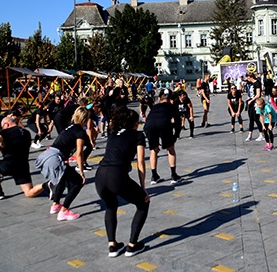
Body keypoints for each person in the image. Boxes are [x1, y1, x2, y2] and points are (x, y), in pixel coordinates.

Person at [95, 106, 149, 258]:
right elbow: (140, 163)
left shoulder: (113, 134)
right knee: (143, 203)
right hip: (116, 175)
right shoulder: (138, 135)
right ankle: (132, 245)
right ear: (134, 122)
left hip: (100, 174)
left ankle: (112, 245)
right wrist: (143, 188)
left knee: (111, 206)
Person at [0, 116, 46, 200]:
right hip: (23, 165)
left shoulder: (5, 132)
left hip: (9, 163)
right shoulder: (26, 132)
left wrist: (0, 148)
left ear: (6, 124)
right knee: (29, 192)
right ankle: (46, 185)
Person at [48, 107, 91, 220]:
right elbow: (79, 153)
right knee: (78, 182)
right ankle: (64, 211)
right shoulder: (79, 132)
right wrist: (81, 171)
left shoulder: (69, 128)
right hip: (56, 159)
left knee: (63, 178)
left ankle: (55, 204)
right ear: (85, 119)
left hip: (51, 157)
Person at [143, 89, 182, 184]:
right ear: (170, 100)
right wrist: (175, 136)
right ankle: (174, 175)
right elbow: (178, 122)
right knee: (170, 148)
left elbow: (150, 118)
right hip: (163, 123)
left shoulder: (155, 107)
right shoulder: (172, 107)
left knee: (154, 149)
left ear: (160, 99)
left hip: (149, 125)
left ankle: (154, 176)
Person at [244, 72, 264, 142]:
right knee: (251, 119)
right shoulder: (250, 84)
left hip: (256, 103)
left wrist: (252, 100)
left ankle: (261, 134)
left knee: (256, 118)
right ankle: (250, 134)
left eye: (248, 77)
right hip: (250, 103)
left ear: (250, 77)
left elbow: (258, 94)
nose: (247, 79)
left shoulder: (257, 83)